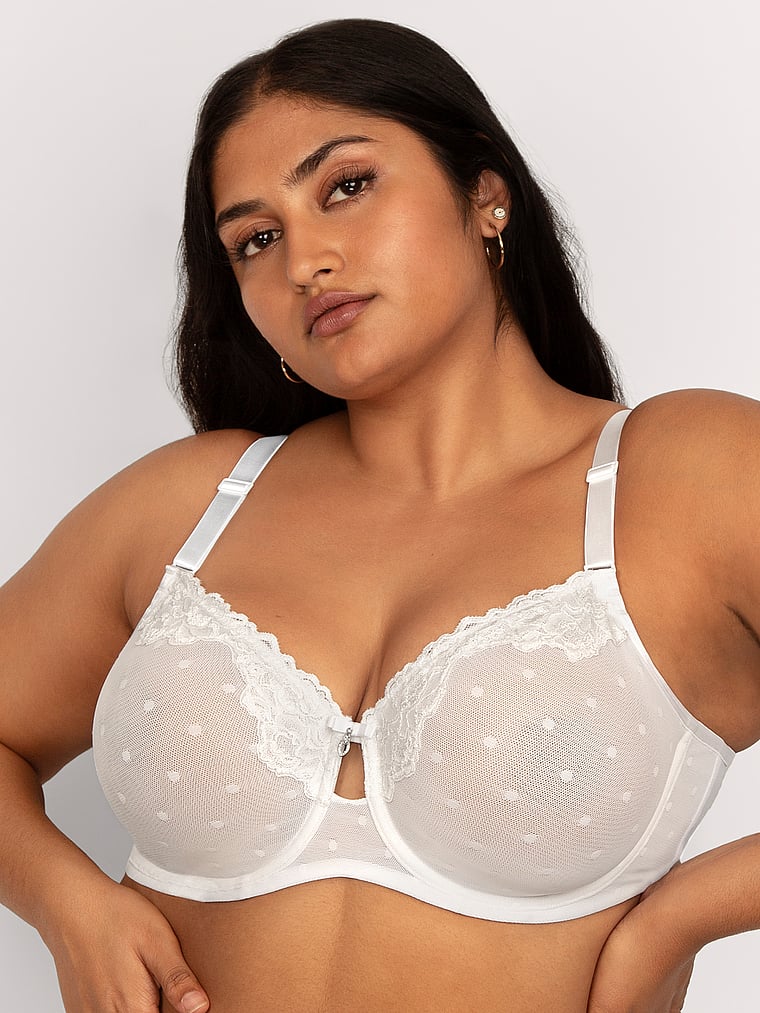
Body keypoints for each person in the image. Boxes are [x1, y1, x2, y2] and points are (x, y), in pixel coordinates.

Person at [0, 16, 758, 1013]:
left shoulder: (687, 476)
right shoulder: (187, 505)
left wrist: (680, 915)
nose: (303, 260)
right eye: (255, 240)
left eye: (346, 185)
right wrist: (66, 903)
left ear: (485, 196)